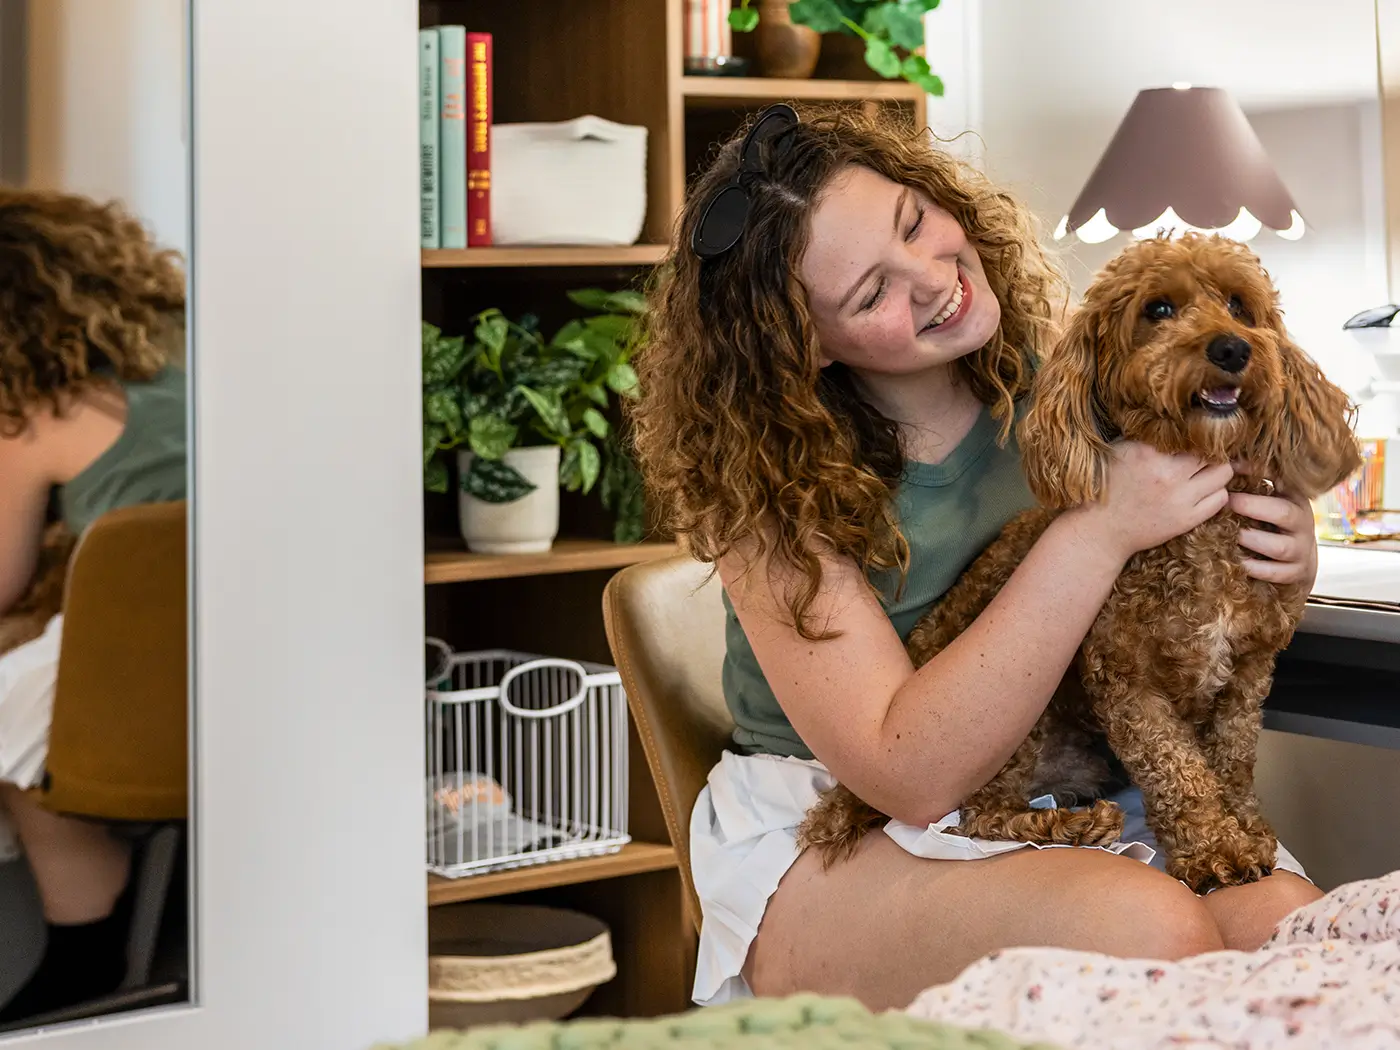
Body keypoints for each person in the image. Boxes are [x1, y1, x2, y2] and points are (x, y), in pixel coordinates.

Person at [629, 104, 1324, 1012]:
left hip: (1066, 776)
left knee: (1295, 935)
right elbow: (908, 773)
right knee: (1152, 937)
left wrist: (1284, 556)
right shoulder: (767, 495)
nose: (929, 279)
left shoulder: (1072, 378)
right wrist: (1101, 529)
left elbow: (1191, 584)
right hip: (840, 821)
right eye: (871, 294)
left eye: (915, 225)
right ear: (804, 347)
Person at [0, 188, 187, 1021]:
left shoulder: (33, 417)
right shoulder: (183, 375)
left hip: (120, 701)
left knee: (14, 720)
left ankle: (83, 933)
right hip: (237, 672)